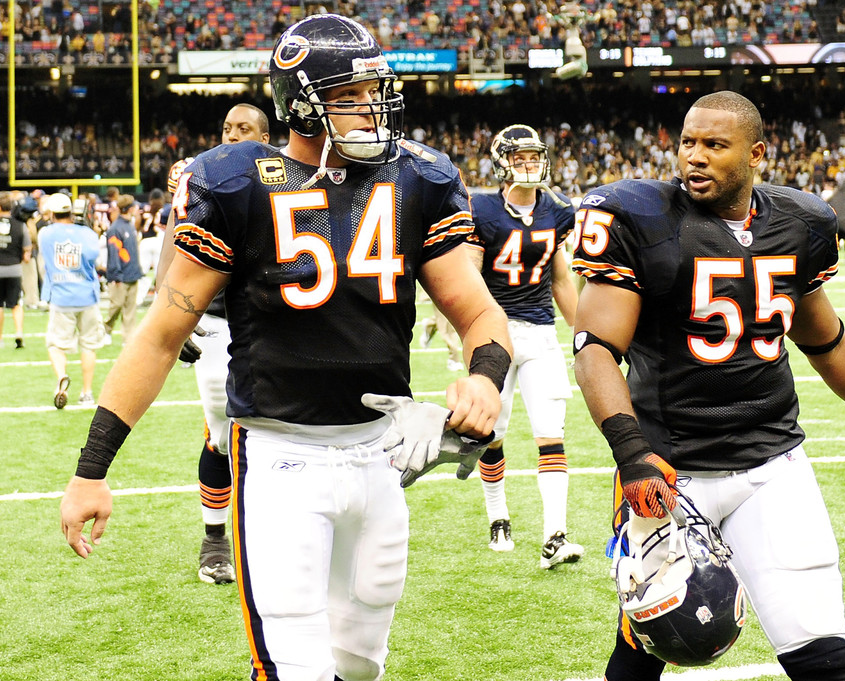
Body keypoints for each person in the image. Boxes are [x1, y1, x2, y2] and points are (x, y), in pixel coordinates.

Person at [59, 14, 512, 681]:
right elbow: (159, 336)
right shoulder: (236, 181)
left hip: (381, 456)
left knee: (360, 667)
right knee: (293, 667)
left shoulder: (418, 176)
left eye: (374, 88)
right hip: (280, 456)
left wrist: (486, 377)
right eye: (353, 93)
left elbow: (478, 311)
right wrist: (91, 468)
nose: (373, 107)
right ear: (304, 100)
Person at [571, 91, 845, 681]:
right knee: (648, 650)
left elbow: (827, 341)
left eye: (715, 145)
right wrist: (631, 455)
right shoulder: (640, 217)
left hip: (772, 465)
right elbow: (595, 350)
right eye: (688, 143)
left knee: (822, 654)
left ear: (756, 153)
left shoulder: (800, 222)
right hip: (669, 473)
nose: (696, 157)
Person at [154, 102, 272, 586]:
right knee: (223, 436)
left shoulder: (288, 176)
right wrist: (172, 313)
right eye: (226, 128)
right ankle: (215, 541)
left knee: (278, 429)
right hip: (219, 322)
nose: (231, 135)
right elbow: (175, 242)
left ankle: (269, 534)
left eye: (243, 128)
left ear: (265, 137)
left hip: (273, 322)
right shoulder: (204, 178)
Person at [465, 124, 584, 568]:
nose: (530, 164)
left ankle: (555, 534)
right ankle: (498, 516)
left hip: (539, 331)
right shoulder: (483, 210)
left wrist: (584, 336)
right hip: (495, 331)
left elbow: (560, 281)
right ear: (502, 162)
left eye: (535, 157)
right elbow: (471, 279)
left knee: (551, 433)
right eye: (521, 158)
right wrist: (470, 333)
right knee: (491, 433)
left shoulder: (557, 210)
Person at [37, 192, 105, 407]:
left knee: (56, 345)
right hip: (87, 295)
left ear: (52, 213)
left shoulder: (45, 234)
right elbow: (96, 259)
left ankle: (61, 379)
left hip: (60, 296)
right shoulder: (87, 234)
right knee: (88, 346)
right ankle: (86, 392)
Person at [101, 193, 143, 345]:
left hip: (132, 273)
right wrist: (116, 275)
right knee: (116, 306)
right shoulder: (115, 229)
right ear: (129, 209)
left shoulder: (130, 225)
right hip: (121, 276)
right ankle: (106, 329)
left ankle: (128, 339)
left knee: (130, 310)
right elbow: (114, 255)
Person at [0, 192, 32, 349]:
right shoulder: (20, 225)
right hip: (14, 269)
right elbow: (27, 251)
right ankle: (19, 333)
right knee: (16, 304)